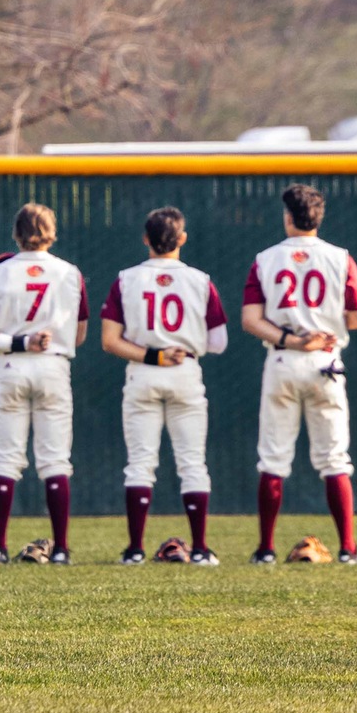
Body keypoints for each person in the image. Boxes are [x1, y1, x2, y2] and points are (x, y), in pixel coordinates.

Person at [242, 182, 357, 566]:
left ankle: (265, 549)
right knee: (334, 459)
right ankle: (348, 548)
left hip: (283, 359)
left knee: (274, 458)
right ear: (319, 217)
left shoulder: (266, 258)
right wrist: (327, 323)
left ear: (287, 216)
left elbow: (251, 320)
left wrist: (292, 338)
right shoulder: (340, 257)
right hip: (327, 362)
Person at [100, 206, 228, 566]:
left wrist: (153, 354)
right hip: (185, 370)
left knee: (140, 464)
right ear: (182, 239)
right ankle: (200, 549)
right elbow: (218, 342)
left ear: (145, 239)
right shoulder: (200, 280)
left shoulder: (126, 279)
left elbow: (110, 341)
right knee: (192, 463)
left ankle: (135, 550)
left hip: (143, 371)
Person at [0, 202, 88, 564]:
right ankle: (62, 548)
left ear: (16, 234)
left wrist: (17, 341)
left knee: (5, 461)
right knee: (55, 461)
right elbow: (79, 335)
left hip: (12, 366)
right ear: (51, 233)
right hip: (52, 366)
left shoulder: (0, 272)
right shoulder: (70, 272)